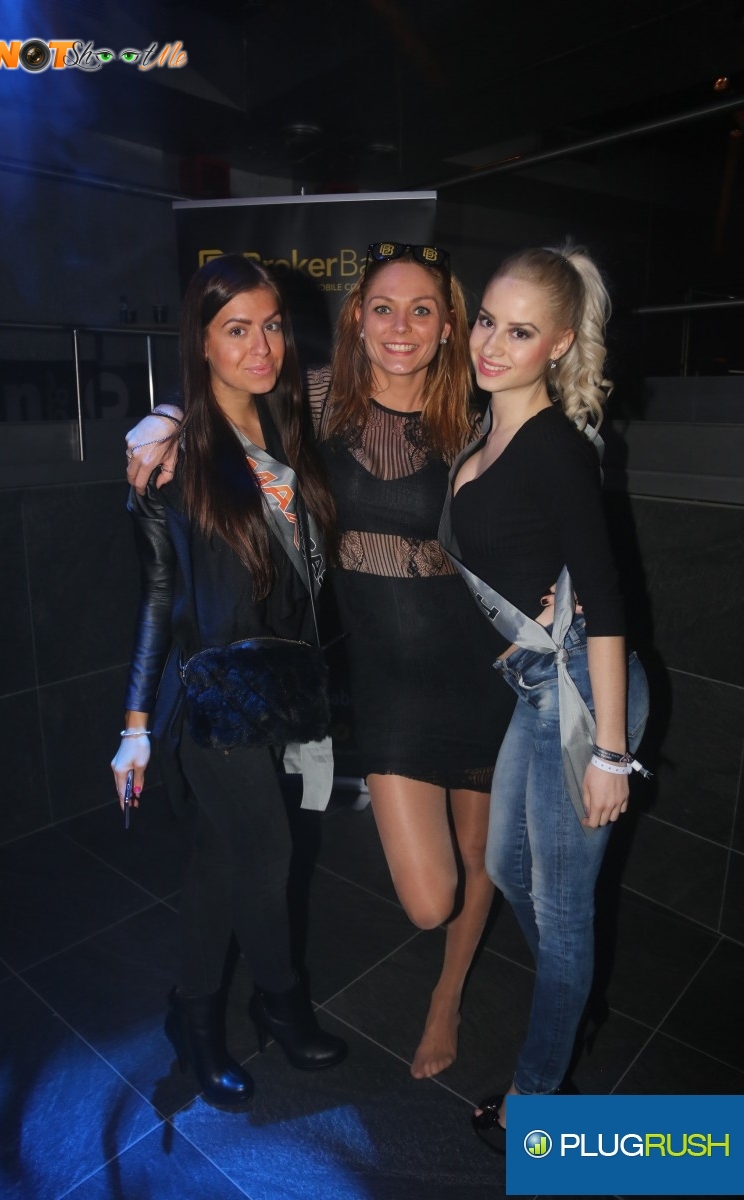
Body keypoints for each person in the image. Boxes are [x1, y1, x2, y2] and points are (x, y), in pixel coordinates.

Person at [125, 241, 518, 1080]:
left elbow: (539, 487)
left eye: (422, 310)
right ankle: (271, 1003)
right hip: (301, 690)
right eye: (383, 308)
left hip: (424, 673)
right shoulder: (296, 411)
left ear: (449, 325)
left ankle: (428, 1000)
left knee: (232, 858)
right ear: (357, 321)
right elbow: (223, 385)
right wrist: (163, 415)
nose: (401, 327)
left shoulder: (463, 416)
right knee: (332, 872)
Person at [111, 255, 346, 1110]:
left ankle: (194, 1014)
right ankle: (279, 1002)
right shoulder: (172, 457)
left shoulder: (288, 425)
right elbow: (158, 597)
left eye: (272, 325)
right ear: (201, 342)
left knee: (219, 860)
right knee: (268, 851)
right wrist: (136, 726)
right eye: (236, 329)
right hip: (208, 700)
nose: (261, 347)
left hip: (275, 686)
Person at [443, 244, 649, 1151]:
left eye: (520, 333)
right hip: (536, 690)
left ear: (559, 345)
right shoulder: (483, 429)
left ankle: (535, 1098)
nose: (492, 345)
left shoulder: (555, 447)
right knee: (503, 866)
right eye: (488, 320)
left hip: (583, 697)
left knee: (561, 910)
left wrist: (611, 753)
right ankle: (574, 991)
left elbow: (607, 603)